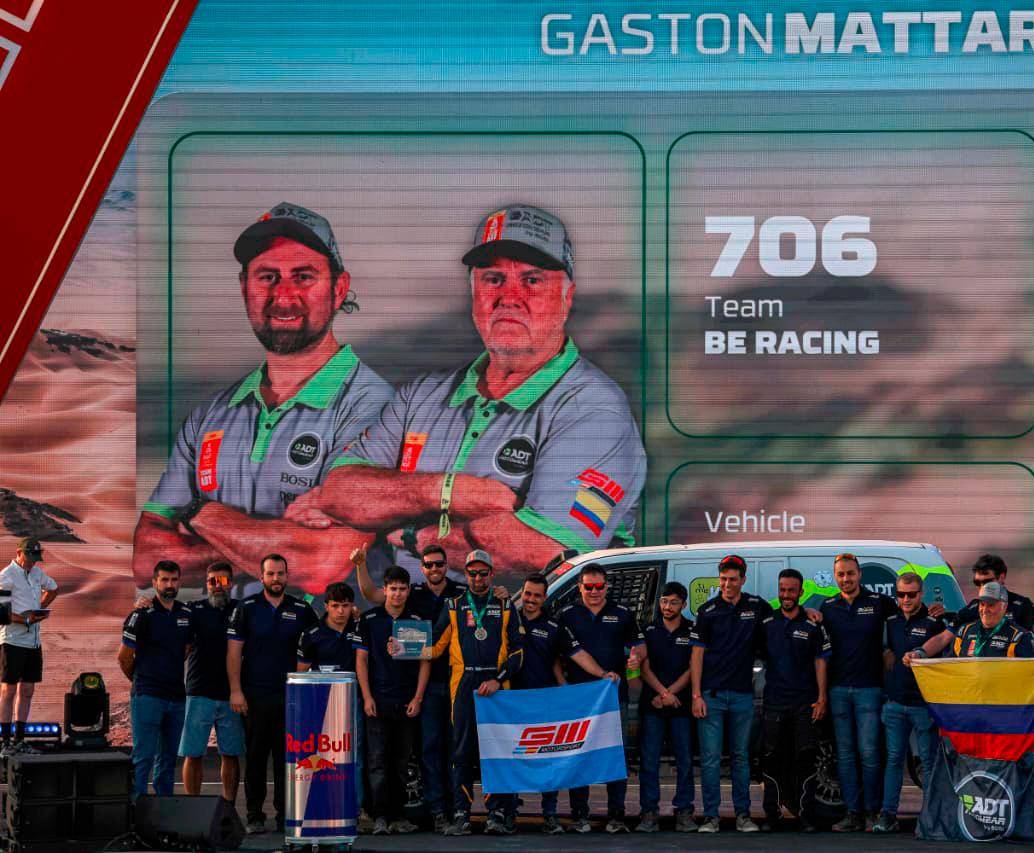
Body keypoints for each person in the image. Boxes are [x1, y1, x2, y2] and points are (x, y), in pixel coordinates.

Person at [286, 204, 647, 575]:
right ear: (473, 292)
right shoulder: (421, 397)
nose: (509, 296)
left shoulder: (594, 410)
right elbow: (337, 490)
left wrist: (407, 532)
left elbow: (541, 550)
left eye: (532, 280)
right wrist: (453, 492)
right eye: (493, 279)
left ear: (567, 298)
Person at [133, 202, 393, 592]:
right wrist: (268, 544)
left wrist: (202, 515)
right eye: (267, 277)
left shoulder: (378, 410)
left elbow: (321, 563)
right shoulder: (212, 416)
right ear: (244, 287)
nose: (283, 296)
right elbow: (145, 561)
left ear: (339, 288)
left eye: (303, 276)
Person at [353, 542, 505, 830]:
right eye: (429, 564)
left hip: (463, 682)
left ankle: (463, 809)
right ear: (422, 569)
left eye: (439, 563)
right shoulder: (415, 593)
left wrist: (501, 593)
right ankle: (438, 811)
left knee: (461, 749)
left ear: (447, 566)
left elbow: (489, 600)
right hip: (429, 685)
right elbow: (373, 594)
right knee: (431, 749)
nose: (434, 568)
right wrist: (361, 565)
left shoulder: (463, 592)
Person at [431, 550, 524, 836]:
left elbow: (519, 653)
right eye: (472, 573)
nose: (478, 578)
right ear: (466, 574)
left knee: (496, 752)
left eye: (483, 573)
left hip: (496, 687)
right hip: (464, 685)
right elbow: (434, 647)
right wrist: (400, 649)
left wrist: (498, 679)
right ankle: (461, 814)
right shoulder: (453, 605)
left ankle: (497, 813)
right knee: (462, 752)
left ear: (491, 574)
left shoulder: (506, 604)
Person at [227, 554, 318, 834]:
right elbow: (233, 652)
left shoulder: (302, 609)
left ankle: (284, 815)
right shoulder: (247, 608)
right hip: (254, 696)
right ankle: (254, 816)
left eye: (280, 573)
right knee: (255, 758)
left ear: (287, 576)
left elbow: (321, 640)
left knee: (287, 760)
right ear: (261, 576)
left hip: (291, 698)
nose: (276, 578)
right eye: (270, 574)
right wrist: (236, 691)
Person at [511, 572, 604, 834]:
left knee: (547, 761)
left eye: (537, 595)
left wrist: (602, 674)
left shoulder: (554, 626)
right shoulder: (508, 619)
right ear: (522, 591)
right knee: (512, 760)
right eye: (527, 594)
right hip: (510, 702)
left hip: (545, 702)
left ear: (544, 597)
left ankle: (549, 814)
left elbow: (577, 653)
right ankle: (507, 813)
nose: (530, 600)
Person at [558, 563, 644, 834]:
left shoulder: (623, 613)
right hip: (580, 699)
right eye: (588, 587)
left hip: (612, 698)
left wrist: (635, 659)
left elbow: (639, 647)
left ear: (606, 586)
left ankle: (616, 816)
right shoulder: (567, 614)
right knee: (579, 757)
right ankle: (580, 816)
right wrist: (564, 687)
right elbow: (555, 655)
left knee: (614, 758)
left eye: (599, 586)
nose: (594, 592)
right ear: (579, 587)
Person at [690, 554, 770, 833]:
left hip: (742, 696)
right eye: (723, 579)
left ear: (743, 580)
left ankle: (743, 816)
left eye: (732, 579)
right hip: (711, 696)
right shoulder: (707, 610)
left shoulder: (758, 607)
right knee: (711, 759)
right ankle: (711, 816)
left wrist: (809, 612)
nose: (727, 584)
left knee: (740, 757)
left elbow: (784, 619)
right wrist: (696, 695)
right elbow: (696, 655)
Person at [819, 552, 898, 833]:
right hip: (838, 690)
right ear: (834, 576)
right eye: (840, 574)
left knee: (869, 754)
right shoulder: (827, 607)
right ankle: (853, 813)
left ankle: (872, 812)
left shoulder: (880, 603)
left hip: (870, 690)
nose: (846, 578)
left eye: (850, 573)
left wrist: (933, 612)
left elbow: (908, 615)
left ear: (859, 575)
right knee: (846, 756)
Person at [355, 566, 430, 835]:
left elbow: (424, 662)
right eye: (393, 588)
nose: (397, 594)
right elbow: (361, 661)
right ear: (384, 590)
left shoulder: (416, 621)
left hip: (406, 703)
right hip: (377, 703)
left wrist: (418, 698)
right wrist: (366, 697)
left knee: (401, 763)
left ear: (408, 591)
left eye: (402, 589)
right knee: (377, 762)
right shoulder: (370, 619)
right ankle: (379, 817)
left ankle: (398, 816)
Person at [758, 569, 829, 833]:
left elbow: (820, 661)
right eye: (782, 589)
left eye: (791, 590)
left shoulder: (812, 624)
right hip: (774, 702)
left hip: (805, 703)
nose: (786, 595)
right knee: (772, 759)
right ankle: (772, 816)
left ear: (801, 592)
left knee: (805, 759)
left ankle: (805, 817)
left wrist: (822, 698)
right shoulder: (766, 623)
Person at [873, 572, 945, 834]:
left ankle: (931, 817)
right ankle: (888, 816)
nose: (905, 599)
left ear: (921, 594)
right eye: (900, 594)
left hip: (923, 706)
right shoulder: (889, 619)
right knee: (893, 761)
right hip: (894, 704)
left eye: (911, 594)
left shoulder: (934, 620)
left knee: (928, 762)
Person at [118, 560, 192, 798]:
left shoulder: (185, 614)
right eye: (164, 580)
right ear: (154, 582)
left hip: (176, 698)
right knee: (143, 759)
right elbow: (123, 657)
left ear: (179, 581)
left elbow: (187, 649)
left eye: (173, 580)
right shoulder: (141, 614)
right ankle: (136, 816)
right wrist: (140, 679)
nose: (169, 585)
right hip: (147, 696)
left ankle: (164, 816)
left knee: (168, 761)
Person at [179, 561, 244, 801]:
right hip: (199, 692)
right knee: (193, 754)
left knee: (231, 754)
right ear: (206, 585)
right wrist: (142, 603)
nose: (218, 586)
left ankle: (228, 806)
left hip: (232, 694)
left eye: (223, 581)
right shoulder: (193, 610)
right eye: (212, 581)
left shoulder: (241, 609)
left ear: (231, 583)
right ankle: (192, 806)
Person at [296, 581, 365, 811]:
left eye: (345, 605)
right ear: (326, 605)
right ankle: (321, 804)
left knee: (353, 755)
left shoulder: (359, 629)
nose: (340, 611)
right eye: (335, 606)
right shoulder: (311, 634)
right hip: (320, 702)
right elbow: (301, 673)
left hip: (351, 700)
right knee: (322, 755)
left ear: (352, 606)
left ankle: (352, 808)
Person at [636, 581, 696, 834]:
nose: (667, 606)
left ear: (683, 604)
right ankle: (649, 813)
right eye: (663, 601)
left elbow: (695, 667)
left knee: (684, 761)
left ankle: (684, 812)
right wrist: (662, 693)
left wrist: (672, 693)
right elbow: (643, 667)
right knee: (649, 761)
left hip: (681, 706)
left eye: (673, 602)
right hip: (653, 705)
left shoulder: (693, 630)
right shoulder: (648, 629)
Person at [0, 538, 58, 755]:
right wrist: (25, 620)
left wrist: (39, 609)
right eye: (30, 558)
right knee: (8, 690)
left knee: (28, 689)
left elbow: (54, 589)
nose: (33, 563)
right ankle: (5, 742)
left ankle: (19, 740)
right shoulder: (6, 576)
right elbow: (1, 613)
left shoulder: (36, 573)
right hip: (12, 640)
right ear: (19, 552)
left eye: (36, 558)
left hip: (33, 641)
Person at [931, 554, 1033, 630]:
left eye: (987, 582)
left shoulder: (1022, 606)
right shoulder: (973, 607)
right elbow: (946, 635)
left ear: (1001, 578)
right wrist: (941, 614)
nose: (982, 587)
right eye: (977, 583)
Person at [941, 582, 1034, 658]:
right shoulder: (964, 631)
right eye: (982, 604)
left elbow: (1027, 674)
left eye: (991, 605)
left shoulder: (1019, 637)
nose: (985, 610)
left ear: (1004, 606)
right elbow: (950, 666)